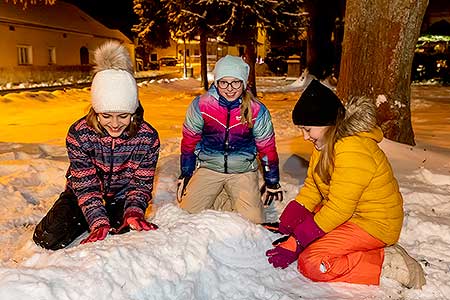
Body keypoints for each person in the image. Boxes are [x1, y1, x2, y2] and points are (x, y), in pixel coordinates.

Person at [265, 80, 425, 288]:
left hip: (375, 223)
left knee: (312, 262)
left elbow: (339, 209)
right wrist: (291, 220)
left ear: (328, 124)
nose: (305, 137)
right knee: (308, 234)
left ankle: (389, 263)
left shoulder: (352, 150)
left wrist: (297, 240)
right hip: (353, 215)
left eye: (308, 129)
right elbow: (314, 187)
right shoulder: (325, 145)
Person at [33, 41, 160, 250]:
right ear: (96, 111)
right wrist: (97, 218)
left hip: (122, 197)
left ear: (134, 112)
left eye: (123, 115)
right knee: (47, 237)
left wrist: (134, 210)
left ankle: (105, 217)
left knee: (126, 231)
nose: (115, 123)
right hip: (82, 193)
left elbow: (141, 184)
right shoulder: (79, 134)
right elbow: (86, 183)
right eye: (106, 115)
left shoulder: (147, 138)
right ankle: (91, 216)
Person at [177, 55, 282, 224]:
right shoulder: (201, 105)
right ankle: (221, 195)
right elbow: (190, 141)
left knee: (253, 222)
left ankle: (225, 196)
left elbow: (267, 147)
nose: (230, 88)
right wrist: (186, 173)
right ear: (216, 82)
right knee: (187, 216)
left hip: (243, 170)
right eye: (223, 82)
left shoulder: (256, 110)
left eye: (236, 82)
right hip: (209, 167)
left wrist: (272, 180)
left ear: (244, 83)